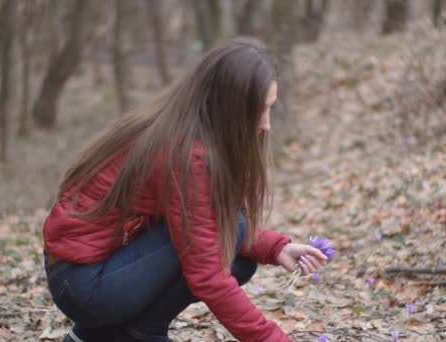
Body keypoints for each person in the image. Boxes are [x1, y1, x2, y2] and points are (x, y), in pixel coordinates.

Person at [42, 37, 328, 342]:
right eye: (260, 110)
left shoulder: (186, 129)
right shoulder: (188, 155)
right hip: (84, 284)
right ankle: (135, 332)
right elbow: (208, 277)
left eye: (270, 108)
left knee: (238, 249)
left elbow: (221, 224)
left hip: (92, 271)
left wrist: (276, 247)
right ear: (230, 108)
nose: (266, 124)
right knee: (229, 238)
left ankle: (102, 336)